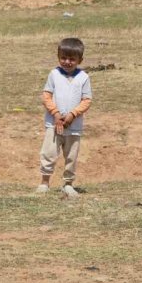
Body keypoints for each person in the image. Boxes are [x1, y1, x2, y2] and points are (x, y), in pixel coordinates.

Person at [38, 37, 92, 197]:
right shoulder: (54, 74)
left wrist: (72, 115)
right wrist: (55, 114)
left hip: (73, 127)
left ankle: (68, 184)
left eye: (72, 59)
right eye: (63, 58)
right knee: (48, 153)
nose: (67, 62)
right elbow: (46, 96)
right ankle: (44, 182)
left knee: (71, 156)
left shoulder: (84, 77)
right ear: (58, 57)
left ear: (79, 60)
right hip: (53, 125)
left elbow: (87, 100)